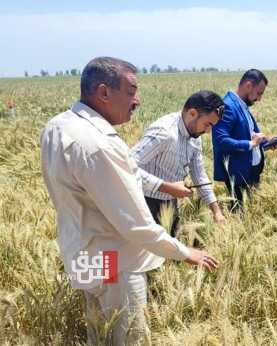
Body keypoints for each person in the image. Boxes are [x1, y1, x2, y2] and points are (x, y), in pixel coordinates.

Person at [40, 57, 219, 345]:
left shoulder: (59, 126)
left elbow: (130, 172)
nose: (137, 100)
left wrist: (165, 187)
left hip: (83, 253)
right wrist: (185, 252)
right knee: (127, 338)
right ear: (104, 92)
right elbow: (136, 224)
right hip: (115, 261)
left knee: (98, 333)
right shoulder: (98, 144)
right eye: (132, 91)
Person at [131, 90, 226, 239]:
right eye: (207, 124)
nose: (208, 131)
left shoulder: (195, 136)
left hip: (170, 203)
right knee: (150, 257)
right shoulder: (164, 132)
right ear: (192, 113)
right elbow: (127, 167)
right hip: (144, 203)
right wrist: (167, 187)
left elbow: (199, 175)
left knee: (171, 253)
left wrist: (216, 211)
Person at [212, 69, 277, 212]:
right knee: (239, 215)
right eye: (259, 93)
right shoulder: (228, 106)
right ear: (248, 86)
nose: (259, 98)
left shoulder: (241, 105)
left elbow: (250, 136)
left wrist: (266, 142)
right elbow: (221, 140)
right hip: (237, 175)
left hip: (250, 172)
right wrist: (251, 144)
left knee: (252, 213)